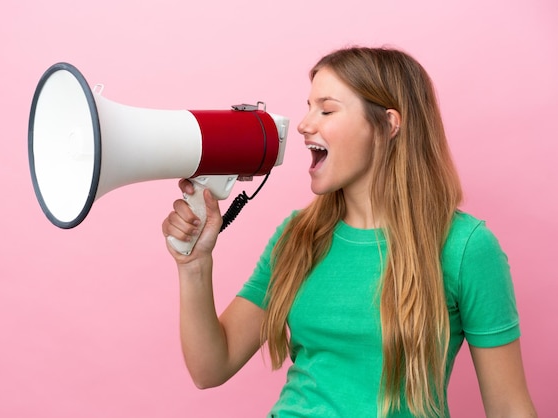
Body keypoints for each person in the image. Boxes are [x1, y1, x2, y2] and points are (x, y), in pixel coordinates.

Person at [161, 46, 537, 417]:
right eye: (308, 108)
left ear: (389, 124)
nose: (305, 124)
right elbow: (211, 367)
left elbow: (509, 407)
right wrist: (194, 264)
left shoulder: (465, 247)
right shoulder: (297, 236)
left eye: (326, 109)